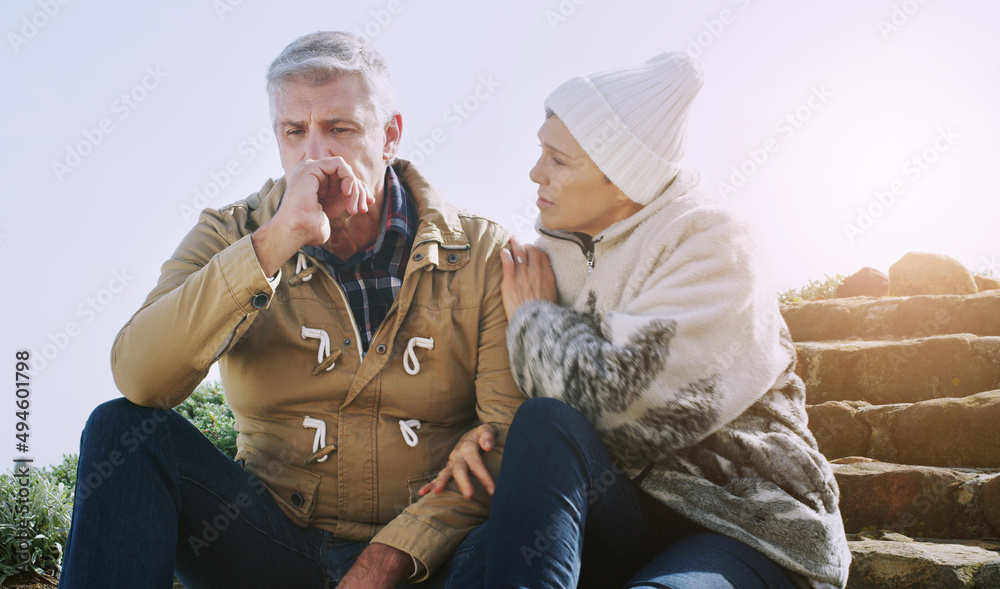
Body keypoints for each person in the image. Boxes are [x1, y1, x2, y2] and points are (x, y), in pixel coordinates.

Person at [58, 31, 524, 589]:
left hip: (427, 562)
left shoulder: (481, 252)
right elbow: (138, 377)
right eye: (295, 132)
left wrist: (388, 558)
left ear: (390, 134)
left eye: (341, 128)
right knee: (120, 428)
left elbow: (506, 431)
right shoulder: (231, 232)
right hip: (269, 544)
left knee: (520, 520)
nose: (317, 156)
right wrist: (272, 245)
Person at [420, 52, 851, 588]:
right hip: (619, 512)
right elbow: (534, 414)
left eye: (558, 159)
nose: (535, 174)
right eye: (540, 150)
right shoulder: (542, 262)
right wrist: (480, 433)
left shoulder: (714, 243)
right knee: (521, 462)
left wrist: (536, 320)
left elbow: (625, 408)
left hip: (742, 525)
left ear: (623, 179)